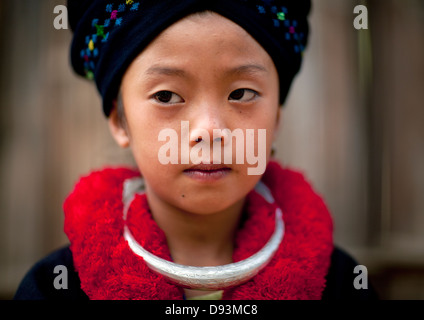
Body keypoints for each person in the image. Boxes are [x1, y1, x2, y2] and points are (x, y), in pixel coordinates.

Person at [14, 0, 378, 300]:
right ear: (119, 121)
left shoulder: (340, 284)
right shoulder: (55, 289)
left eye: (242, 94)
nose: (209, 130)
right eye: (167, 96)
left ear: (277, 117)